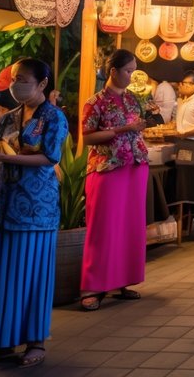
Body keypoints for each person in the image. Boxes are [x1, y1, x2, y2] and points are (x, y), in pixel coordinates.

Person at [0, 58, 68, 368]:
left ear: (41, 84)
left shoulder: (54, 117)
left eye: (23, 78)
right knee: (5, 276)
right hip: (8, 206)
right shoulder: (8, 117)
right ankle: (2, 341)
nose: (15, 84)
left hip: (37, 208)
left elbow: (49, 158)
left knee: (34, 275)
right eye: (13, 78)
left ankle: (35, 341)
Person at [79, 50, 149, 311]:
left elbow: (135, 127)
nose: (131, 76)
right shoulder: (94, 102)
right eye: (128, 71)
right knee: (103, 226)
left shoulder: (132, 99)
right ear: (113, 71)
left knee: (129, 226)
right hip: (107, 168)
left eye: (133, 71)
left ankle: (122, 280)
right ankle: (92, 286)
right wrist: (122, 130)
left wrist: (141, 126)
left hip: (135, 165)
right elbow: (87, 138)